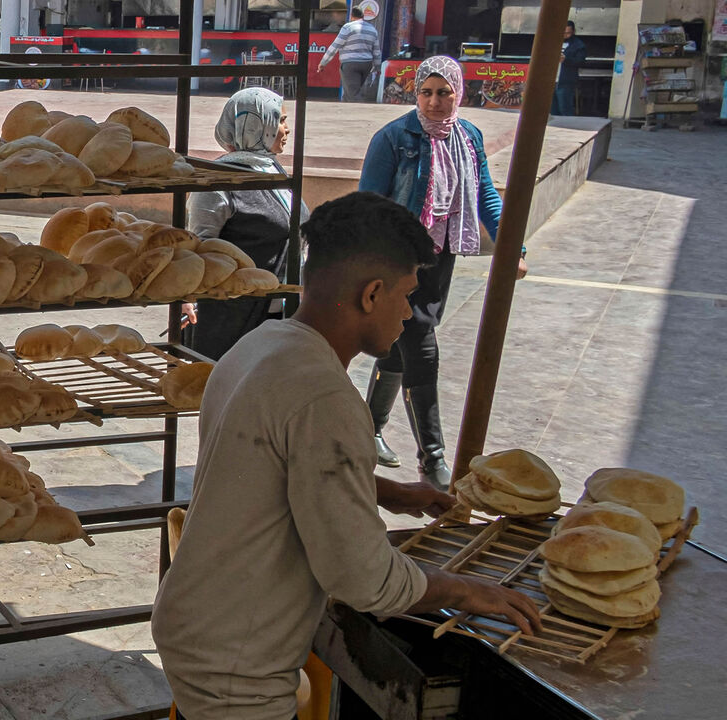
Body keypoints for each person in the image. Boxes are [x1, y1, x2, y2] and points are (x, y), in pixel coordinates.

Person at [152, 192, 541, 720]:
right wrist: (471, 593)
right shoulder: (326, 397)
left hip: (196, 616)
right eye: (406, 294)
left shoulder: (261, 344)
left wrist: (388, 491)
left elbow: (264, 464)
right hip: (236, 662)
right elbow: (364, 579)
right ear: (372, 294)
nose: (408, 311)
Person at [358, 55, 523, 489]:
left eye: (443, 92)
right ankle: (432, 459)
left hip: (440, 255)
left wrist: (512, 247)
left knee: (400, 346)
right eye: (426, 92)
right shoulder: (394, 138)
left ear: (458, 93)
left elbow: (486, 193)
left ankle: (368, 430)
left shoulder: (468, 136)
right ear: (416, 95)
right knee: (422, 348)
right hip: (398, 260)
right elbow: (369, 205)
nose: (434, 102)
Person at [180, 88, 309, 360]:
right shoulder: (219, 183)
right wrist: (187, 298)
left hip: (277, 315)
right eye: (279, 121)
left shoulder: (273, 172)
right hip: (231, 323)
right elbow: (198, 247)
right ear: (254, 125)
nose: (286, 129)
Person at [317, 7, 381, 102]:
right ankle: (343, 113)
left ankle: (360, 114)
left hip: (350, 64)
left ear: (351, 16)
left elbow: (335, 46)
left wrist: (323, 63)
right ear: (363, 16)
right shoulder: (372, 29)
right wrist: (378, 67)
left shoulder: (348, 27)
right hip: (366, 64)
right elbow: (376, 51)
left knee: (353, 94)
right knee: (349, 92)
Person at [552, 21, 587, 116]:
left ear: (573, 32)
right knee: (552, 109)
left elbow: (581, 61)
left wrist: (566, 60)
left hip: (565, 81)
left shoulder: (578, 45)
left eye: (568, 33)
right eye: (563, 33)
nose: (565, 35)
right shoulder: (553, 42)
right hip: (551, 81)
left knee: (565, 108)